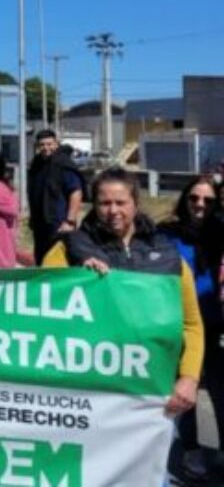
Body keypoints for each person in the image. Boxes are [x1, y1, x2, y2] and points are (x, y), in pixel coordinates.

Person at [42, 168, 203, 420]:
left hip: (154, 392)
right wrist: (77, 283)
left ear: (136, 204)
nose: (113, 211)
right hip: (91, 393)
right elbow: (42, 316)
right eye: (104, 203)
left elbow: (191, 325)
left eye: (121, 202)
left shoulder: (169, 256)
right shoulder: (67, 251)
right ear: (93, 205)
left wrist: (189, 379)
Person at [159, 176, 224, 481]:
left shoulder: (220, 232)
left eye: (208, 200)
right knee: (185, 392)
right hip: (179, 323)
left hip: (214, 322)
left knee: (221, 392)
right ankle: (191, 450)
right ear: (185, 199)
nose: (200, 205)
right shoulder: (165, 233)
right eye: (194, 198)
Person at [27, 129, 84, 263]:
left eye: (49, 144)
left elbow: (75, 192)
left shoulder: (63, 164)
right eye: (42, 145)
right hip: (40, 224)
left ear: (56, 144)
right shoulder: (37, 164)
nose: (46, 148)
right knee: (41, 259)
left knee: (57, 261)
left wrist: (70, 221)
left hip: (58, 224)